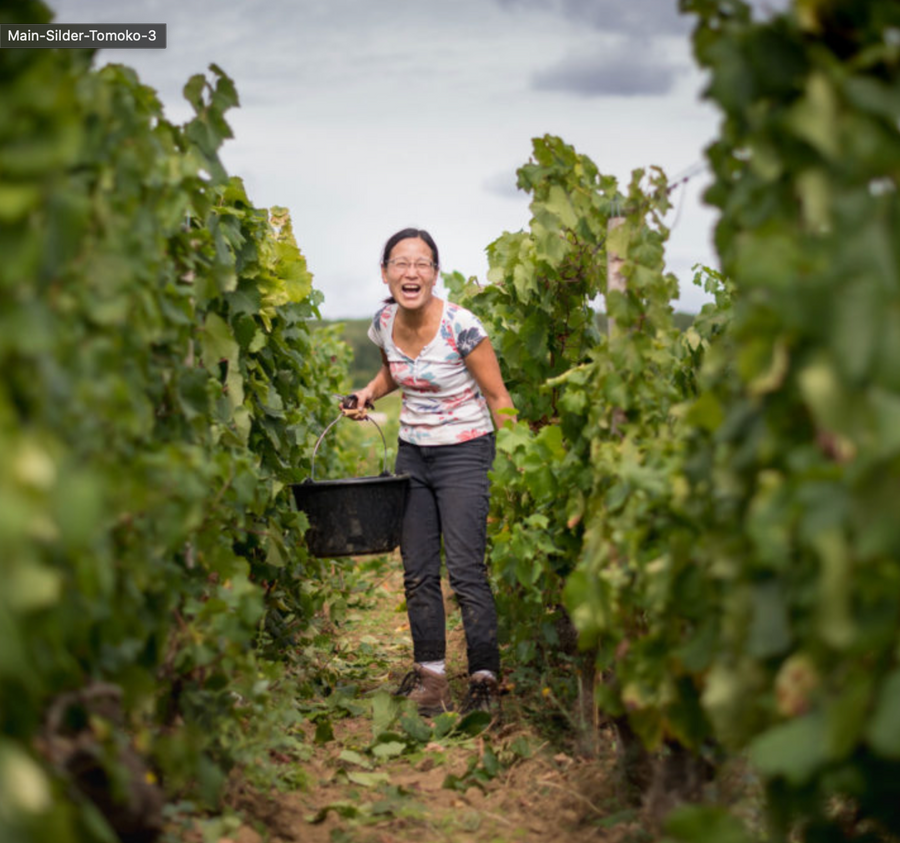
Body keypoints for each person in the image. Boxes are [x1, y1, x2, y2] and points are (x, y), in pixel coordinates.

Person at [346, 227, 515, 717]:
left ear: (435, 274)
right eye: (400, 263)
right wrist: (368, 393)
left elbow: (498, 397)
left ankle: (484, 680)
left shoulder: (462, 326)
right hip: (413, 456)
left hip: (465, 453)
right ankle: (432, 680)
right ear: (385, 273)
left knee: (465, 571)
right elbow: (394, 373)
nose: (411, 272)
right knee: (418, 571)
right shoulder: (383, 321)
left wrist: (517, 462)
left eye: (422, 263)